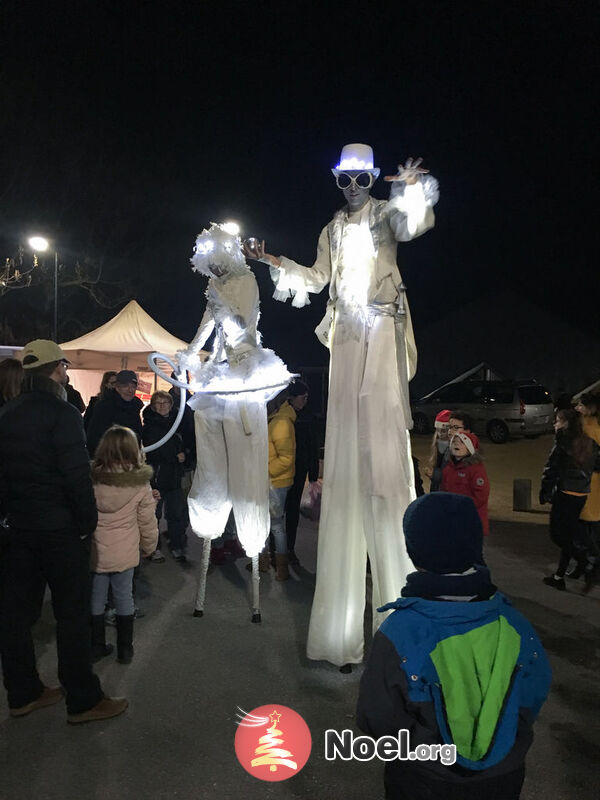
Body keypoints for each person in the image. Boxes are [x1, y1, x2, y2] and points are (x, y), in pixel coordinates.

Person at [244, 143, 439, 667]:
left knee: (382, 440)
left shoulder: (383, 215)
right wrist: (270, 260)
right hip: (348, 335)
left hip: (381, 327)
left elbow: (414, 223)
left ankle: (398, 624)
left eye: (360, 177)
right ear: (336, 181)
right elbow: (315, 278)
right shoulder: (331, 229)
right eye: (344, 178)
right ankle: (341, 632)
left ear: (373, 177)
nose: (352, 186)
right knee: (349, 440)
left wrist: (412, 188)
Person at [357, 493, 552, 800]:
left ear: (413, 551)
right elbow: (532, 697)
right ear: (475, 546)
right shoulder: (515, 624)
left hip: (422, 779)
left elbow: (377, 719)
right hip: (503, 778)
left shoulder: (400, 631)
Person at [0, 339, 127, 723]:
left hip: (18, 528)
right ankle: (83, 699)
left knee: (16, 615)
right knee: (71, 615)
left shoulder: (6, 414)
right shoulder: (64, 414)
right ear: (58, 370)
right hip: (59, 530)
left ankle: (23, 692)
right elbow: (76, 477)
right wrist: (86, 525)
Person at [90, 426, 158, 664]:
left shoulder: (91, 479)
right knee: (124, 598)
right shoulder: (139, 484)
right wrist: (150, 546)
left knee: (96, 598)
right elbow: (147, 521)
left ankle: (96, 645)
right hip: (125, 550)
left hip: (95, 550)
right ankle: (125, 649)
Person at [540, 408, 596, 591]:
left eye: (557, 420)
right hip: (581, 494)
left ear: (565, 423)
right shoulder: (588, 442)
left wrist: (545, 491)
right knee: (569, 536)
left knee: (558, 536)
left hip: (565, 494)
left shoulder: (563, 441)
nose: (554, 424)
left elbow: (551, 468)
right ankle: (560, 575)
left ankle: (587, 561)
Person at [142, 391, 187, 562]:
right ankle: (153, 548)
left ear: (171, 404)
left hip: (174, 477)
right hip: (157, 477)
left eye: (165, 402)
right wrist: (175, 457)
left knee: (176, 514)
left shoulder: (177, 423)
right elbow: (153, 450)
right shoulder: (150, 426)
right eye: (158, 403)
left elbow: (183, 443)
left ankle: (176, 545)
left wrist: (185, 455)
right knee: (154, 515)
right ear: (153, 406)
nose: (162, 406)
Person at [284, 380, 320, 566]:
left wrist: (313, 474)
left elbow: (313, 446)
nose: (305, 401)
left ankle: (288, 549)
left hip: (298, 471)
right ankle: (277, 551)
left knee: (291, 511)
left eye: (307, 398)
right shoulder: (283, 416)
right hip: (282, 472)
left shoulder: (308, 417)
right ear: (292, 397)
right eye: (302, 398)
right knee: (277, 511)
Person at [267, 393, 296, 580]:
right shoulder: (274, 419)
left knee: (276, 524)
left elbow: (286, 458)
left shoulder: (281, 422)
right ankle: (265, 562)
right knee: (266, 522)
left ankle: (281, 568)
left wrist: (265, 471)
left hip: (276, 481)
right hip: (271, 479)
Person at [573, 393, 600, 591]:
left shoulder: (591, 427)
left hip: (590, 481)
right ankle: (587, 564)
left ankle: (592, 565)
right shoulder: (582, 423)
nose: (578, 408)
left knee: (589, 526)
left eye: (581, 405)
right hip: (585, 480)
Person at [441, 430, 490, 538]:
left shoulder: (476, 470)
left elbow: (481, 495)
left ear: (470, 449)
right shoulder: (448, 469)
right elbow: (444, 491)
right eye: (454, 442)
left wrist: (461, 507)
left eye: (462, 442)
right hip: (453, 520)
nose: (456, 444)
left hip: (471, 521)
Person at [86, 370, 142, 456]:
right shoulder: (104, 407)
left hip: (130, 460)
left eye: (133, 386)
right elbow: (94, 437)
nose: (130, 390)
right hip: (109, 460)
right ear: (117, 387)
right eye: (125, 386)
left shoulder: (135, 407)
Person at [426, 409, 451, 491]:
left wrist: (434, 475)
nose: (440, 433)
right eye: (437, 430)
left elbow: (450, 474)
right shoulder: (437, 444)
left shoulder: (454, 448)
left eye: (443, 431)